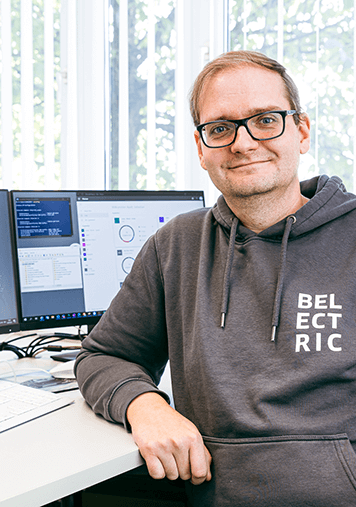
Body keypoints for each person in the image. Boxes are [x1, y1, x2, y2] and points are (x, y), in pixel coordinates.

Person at [75, 50, 356, 506]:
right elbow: (104, 355)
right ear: (202, 148)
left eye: (265, 119)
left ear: (301, 132)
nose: (243, 143)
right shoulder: (175, 246)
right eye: (220, 128)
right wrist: (145, 407)